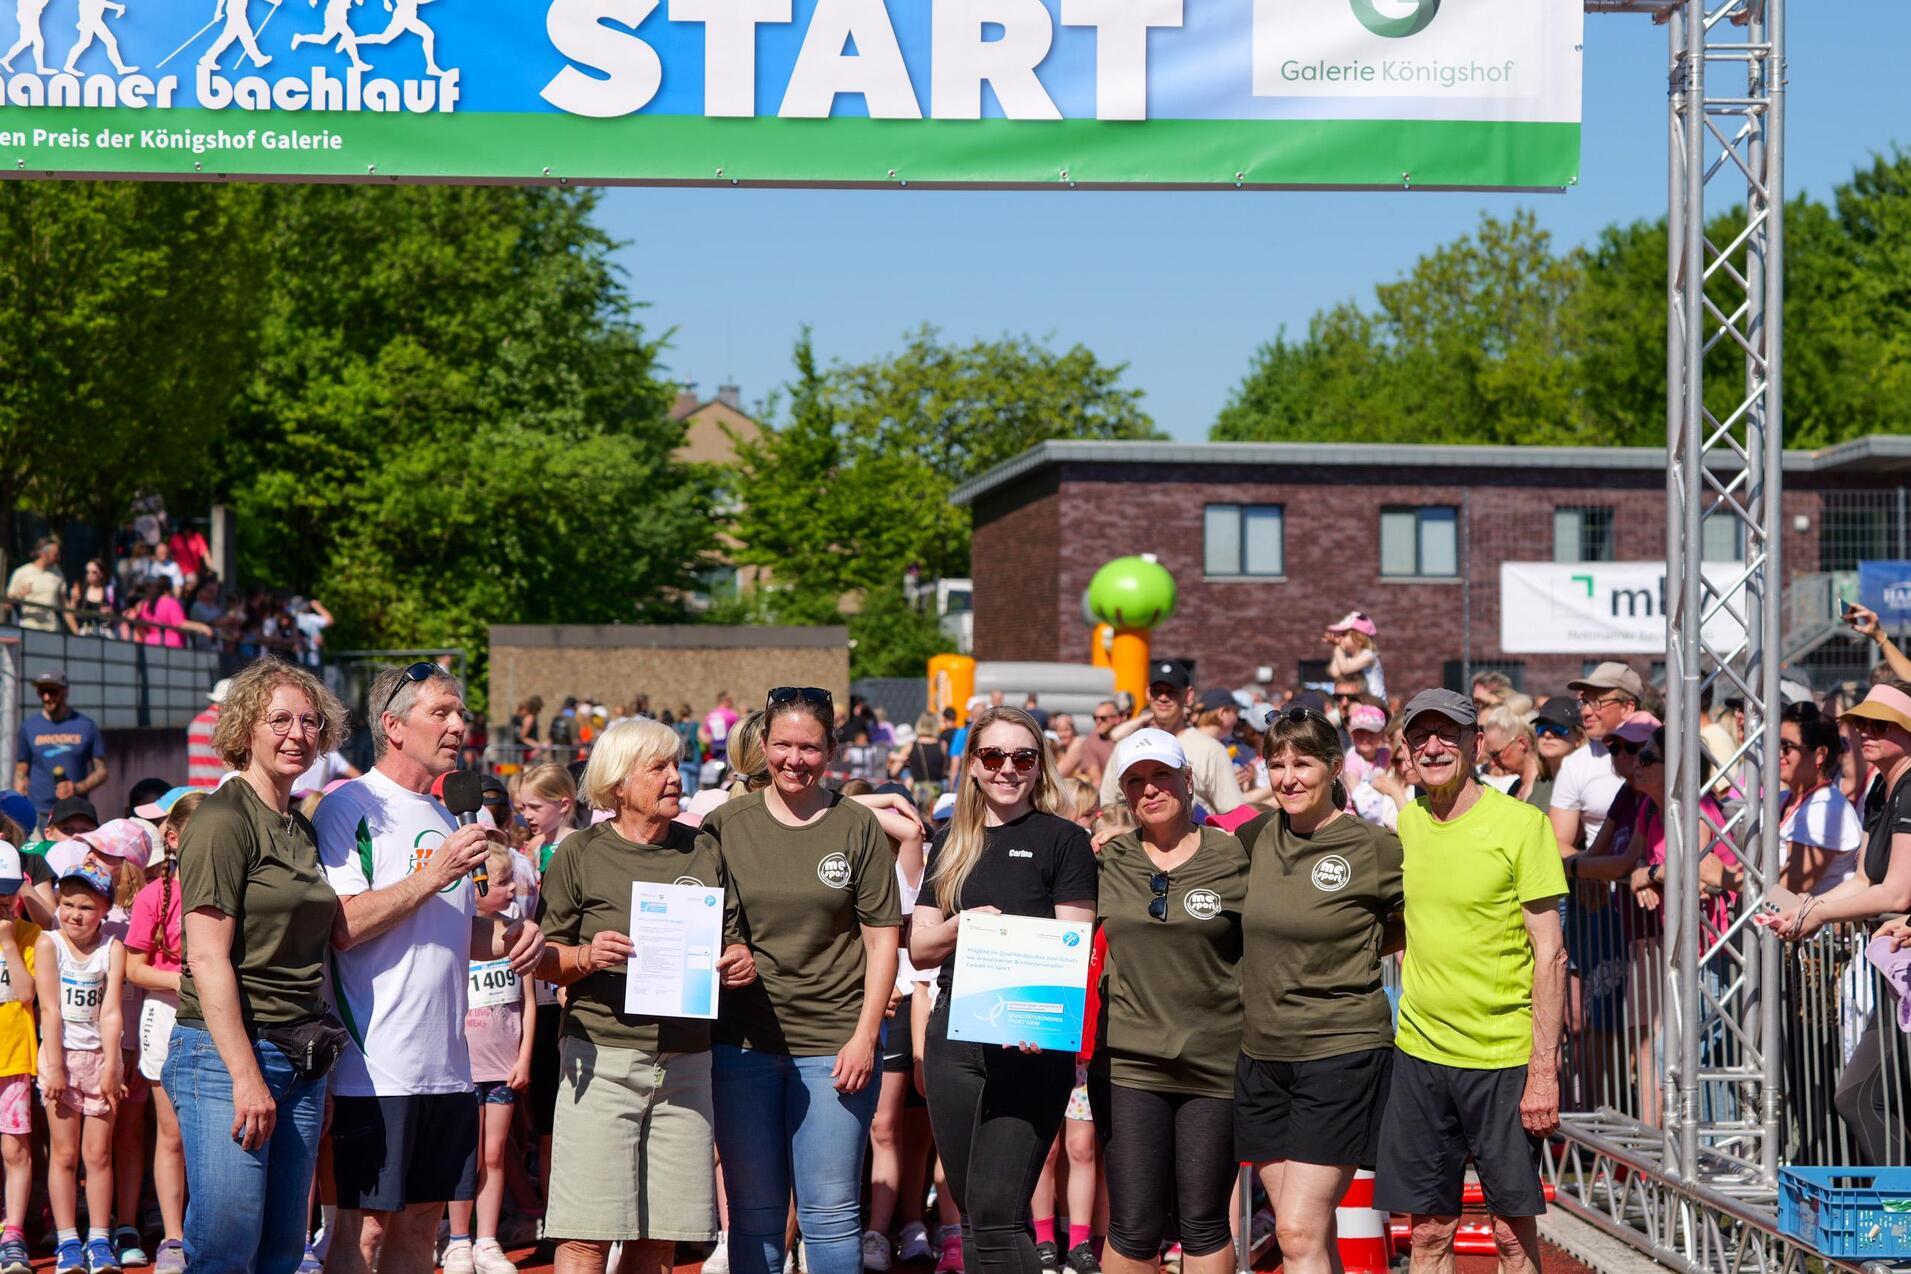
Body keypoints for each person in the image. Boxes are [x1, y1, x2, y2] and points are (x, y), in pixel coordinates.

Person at [316, 663, 544, 1274]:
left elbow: (444, 930)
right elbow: (342, 926)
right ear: (392, 724)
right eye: (440, 712)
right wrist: (434, 874)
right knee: (361, 1235)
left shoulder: (452, 815)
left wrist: (509, 935)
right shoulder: (348, 807)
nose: (457, 725)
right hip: (373, 1069)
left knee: (422, 1231)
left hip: (448, 1067)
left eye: (460, 713)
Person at [536, 717, 756, 1274]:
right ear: (617, 784)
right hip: (600, 1059)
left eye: (675, 764)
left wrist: (737, 960)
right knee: (586, 1235)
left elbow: (733, 939)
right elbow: (542, 958)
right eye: (656, 767)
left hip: (686, 1061)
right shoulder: (579, 854)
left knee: (660, 1239)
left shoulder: (702, 850)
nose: (673, 777)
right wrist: (587, 957)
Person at [698, 687, 901, 1274]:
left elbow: (882, 939)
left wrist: (865, 1037)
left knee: (831, 1215)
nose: (795, 759)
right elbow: (702, 917)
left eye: (809, 747)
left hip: (835, 1046)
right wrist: (726, 948)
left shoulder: (857, 825)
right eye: (783, 744)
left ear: (831, 750)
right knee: (754, 1213)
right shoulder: (723, 825)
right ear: (762, 746)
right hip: (741, 1045)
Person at [1373, 691, 1567, 1274]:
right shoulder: (1407, 822)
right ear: (1406, 752)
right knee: (1429, 1234)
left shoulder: (1522, 825)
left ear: (1475, 744)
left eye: (1448, 734)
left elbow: (1551, 953)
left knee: (1510, 1234)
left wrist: (1543, 1071)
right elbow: (1400, 927)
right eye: (1420, 737)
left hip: (1503, 1060)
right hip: (1421, 1055)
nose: (1433, 747)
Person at [165, 658, 345, 1273]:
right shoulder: (221, 820)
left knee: (279, 1254)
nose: (298, 733)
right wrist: (246, 1075)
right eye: (280, 719)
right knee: (224, 1251)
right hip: (227, 1057)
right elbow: (207, 956)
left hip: (300, 1056)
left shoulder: (299, 825)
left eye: (310, 721)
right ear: (246, 728)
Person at [909, 708, 1098, 1274]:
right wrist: (959, 926)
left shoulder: (1064, 841)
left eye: (1023, 757)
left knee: (994, 1212)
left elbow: (1075, 942)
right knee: (974, 1211)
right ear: (973, 766)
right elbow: (919, 949)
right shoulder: (950, 842)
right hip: (954, 1039)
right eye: (994, 756)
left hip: (1028, 1042)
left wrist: (1042, 1021)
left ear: (1040, 766)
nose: (1008, 769)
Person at [1232, 708, 1402, 1274]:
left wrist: (1354, 951)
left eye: (1302, 764)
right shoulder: (1254, 836)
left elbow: (1414, 923)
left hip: (1341, 1050)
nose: (1288, 778)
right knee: (1310, 1229)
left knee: (1296, 1230)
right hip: (1261, 1054)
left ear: (1334, 769)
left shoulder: (1374, 847)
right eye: (1276, 765)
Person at [1090, 729, 1247, 1274]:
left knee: (1204, 1222)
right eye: (1135, 781)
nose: (1149, 789)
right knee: (1133, 1225)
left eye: (1161, 775)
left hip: (1216, 1063)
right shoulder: (1106, 859)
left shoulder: (1235, 856)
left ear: (1188, 780)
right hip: (1129, 1063)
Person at [1767, 682, 1911, 1162]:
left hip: (1901, 966)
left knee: (1860, 1097)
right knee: (1863, 1097)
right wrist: (1806, 911)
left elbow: (1896, 892)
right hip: (1896, 971)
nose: (1865, 733)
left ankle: (1899, 1222)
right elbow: (1866, 877)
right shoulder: (1881, 787)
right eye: (1862, 724)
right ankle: (1898, 1221)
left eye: (1881, 724)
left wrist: (1818, 912)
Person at [442, 843, 536, 1274]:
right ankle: (458, 1240)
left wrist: (525, 1058)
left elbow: (530, 1004)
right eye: (500, 882)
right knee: (466, 1155)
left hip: (502, 1064)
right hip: (462, 1065)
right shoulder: (456, 931)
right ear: (474, 889)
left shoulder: (520, 934)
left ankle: (486, 1240)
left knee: (495, 1154)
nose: (512, 887)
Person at [126, 792, 202, 1274]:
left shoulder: (233, 887)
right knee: (172, 1134)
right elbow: (134, 967)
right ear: (172, 838)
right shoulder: (154, 895)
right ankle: (173, 1238)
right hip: (166, 1018)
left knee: (215, 1136)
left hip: (221, 1018)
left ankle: (208, 1231)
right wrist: (185, 979)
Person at [36, 864, 126, 1274]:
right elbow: (50, 1009)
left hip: (99, 1061)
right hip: (61, 1058)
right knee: (66, 1154)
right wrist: (54, 1066)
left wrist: (113, 1064)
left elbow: (111, 1012)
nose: (75, 914)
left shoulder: (113, 948)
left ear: (104, 908)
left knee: (99, 1155)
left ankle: (100, 1238)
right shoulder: (48, 943)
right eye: (68, 904)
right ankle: (68, 1239)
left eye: (86, 906)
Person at [1098, 662, 1244, 821]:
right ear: (1148, 693)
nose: (1163, 698)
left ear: (1188, 695)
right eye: (1157, 691)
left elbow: (1234, 814)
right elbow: (1107, 808)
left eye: (1172, 692)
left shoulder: (1211, 750)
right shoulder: (1126, 748)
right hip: (1134, 842)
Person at [1549, 663, 1643, 856]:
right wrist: (1594, 871)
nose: (1585, 712)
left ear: (1628, 707)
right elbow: (1557, 843)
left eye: (1597, 702)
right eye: (1584, 702)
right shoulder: (1575, 764)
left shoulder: (1661, 752)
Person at [0, 840, 37, 1274]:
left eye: (8, 891)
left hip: (13, 1060)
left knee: (15, 1148)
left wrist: (10, 943)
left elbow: (28, 994)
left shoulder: (27, 935)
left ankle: (14, 1233)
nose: (3, 900)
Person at [15, 670, 109, 824]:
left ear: (65, 691)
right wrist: (19, 809)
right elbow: (21, 772)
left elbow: (102, 771)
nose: (46, 697)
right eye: (42, 691)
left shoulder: (86, 725)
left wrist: (76, 788)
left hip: (75, 814)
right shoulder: (28, 727)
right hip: (38, 813)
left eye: (52, 691)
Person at [1479, 707, 1544, 806]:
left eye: (1496, 754)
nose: (1492, 762)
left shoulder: (1549, 787)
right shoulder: (1515, 788)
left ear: (1522, 744)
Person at [6, 536, 67, 633]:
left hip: (52, 629)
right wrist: (20, 595)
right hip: (29, 628)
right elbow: (6, 605)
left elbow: (64, 605)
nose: (58, 558)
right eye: (55, 555)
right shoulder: (21, 573)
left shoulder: (58, 573)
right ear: (44, 554)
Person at [1324, 613, 1385, 700]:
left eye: (1344, 635)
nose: (1340, 638)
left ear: (1359, 638)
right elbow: (1335, 673)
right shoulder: (1351, 659)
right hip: (1364, 703)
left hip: (1377, 705)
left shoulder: (1369, 656)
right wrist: (1337, 647)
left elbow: (1345, 669)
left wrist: (1338, 646)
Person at [188, 680, 229, 789]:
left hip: (196, 791)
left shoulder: (196, 722)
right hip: (217, 790)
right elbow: (229, 765)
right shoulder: (223, 725)